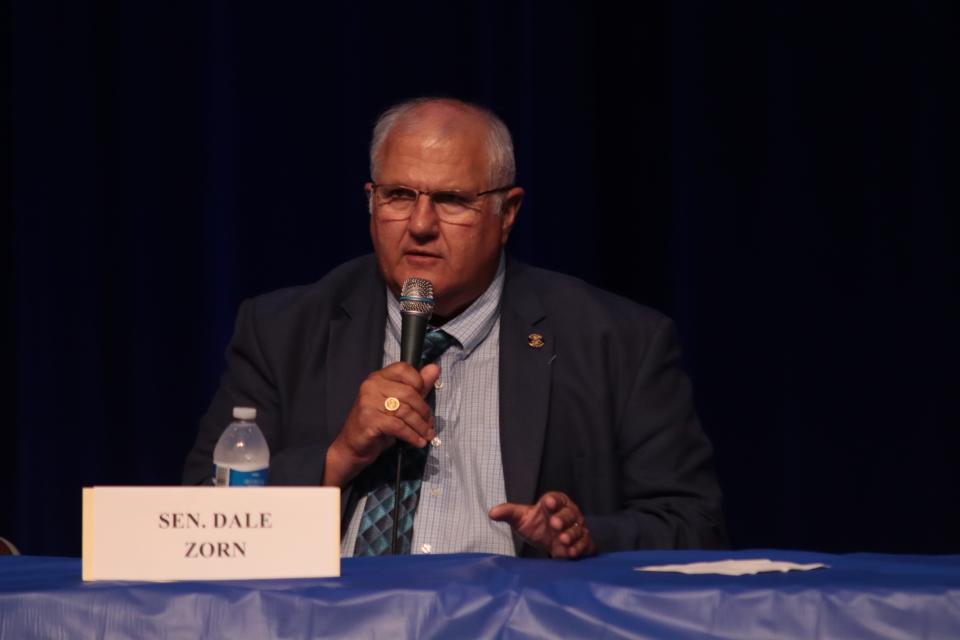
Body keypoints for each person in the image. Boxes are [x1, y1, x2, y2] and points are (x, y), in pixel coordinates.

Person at [183, 97, 727, 558]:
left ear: (507, 213)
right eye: (399, 197)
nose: (420, 225)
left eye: (451, 201)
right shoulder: (284, 330)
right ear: (370, 202)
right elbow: (196, 517)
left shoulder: (618, 342)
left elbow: (693, 526)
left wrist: (583, 538)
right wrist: (337, 459)